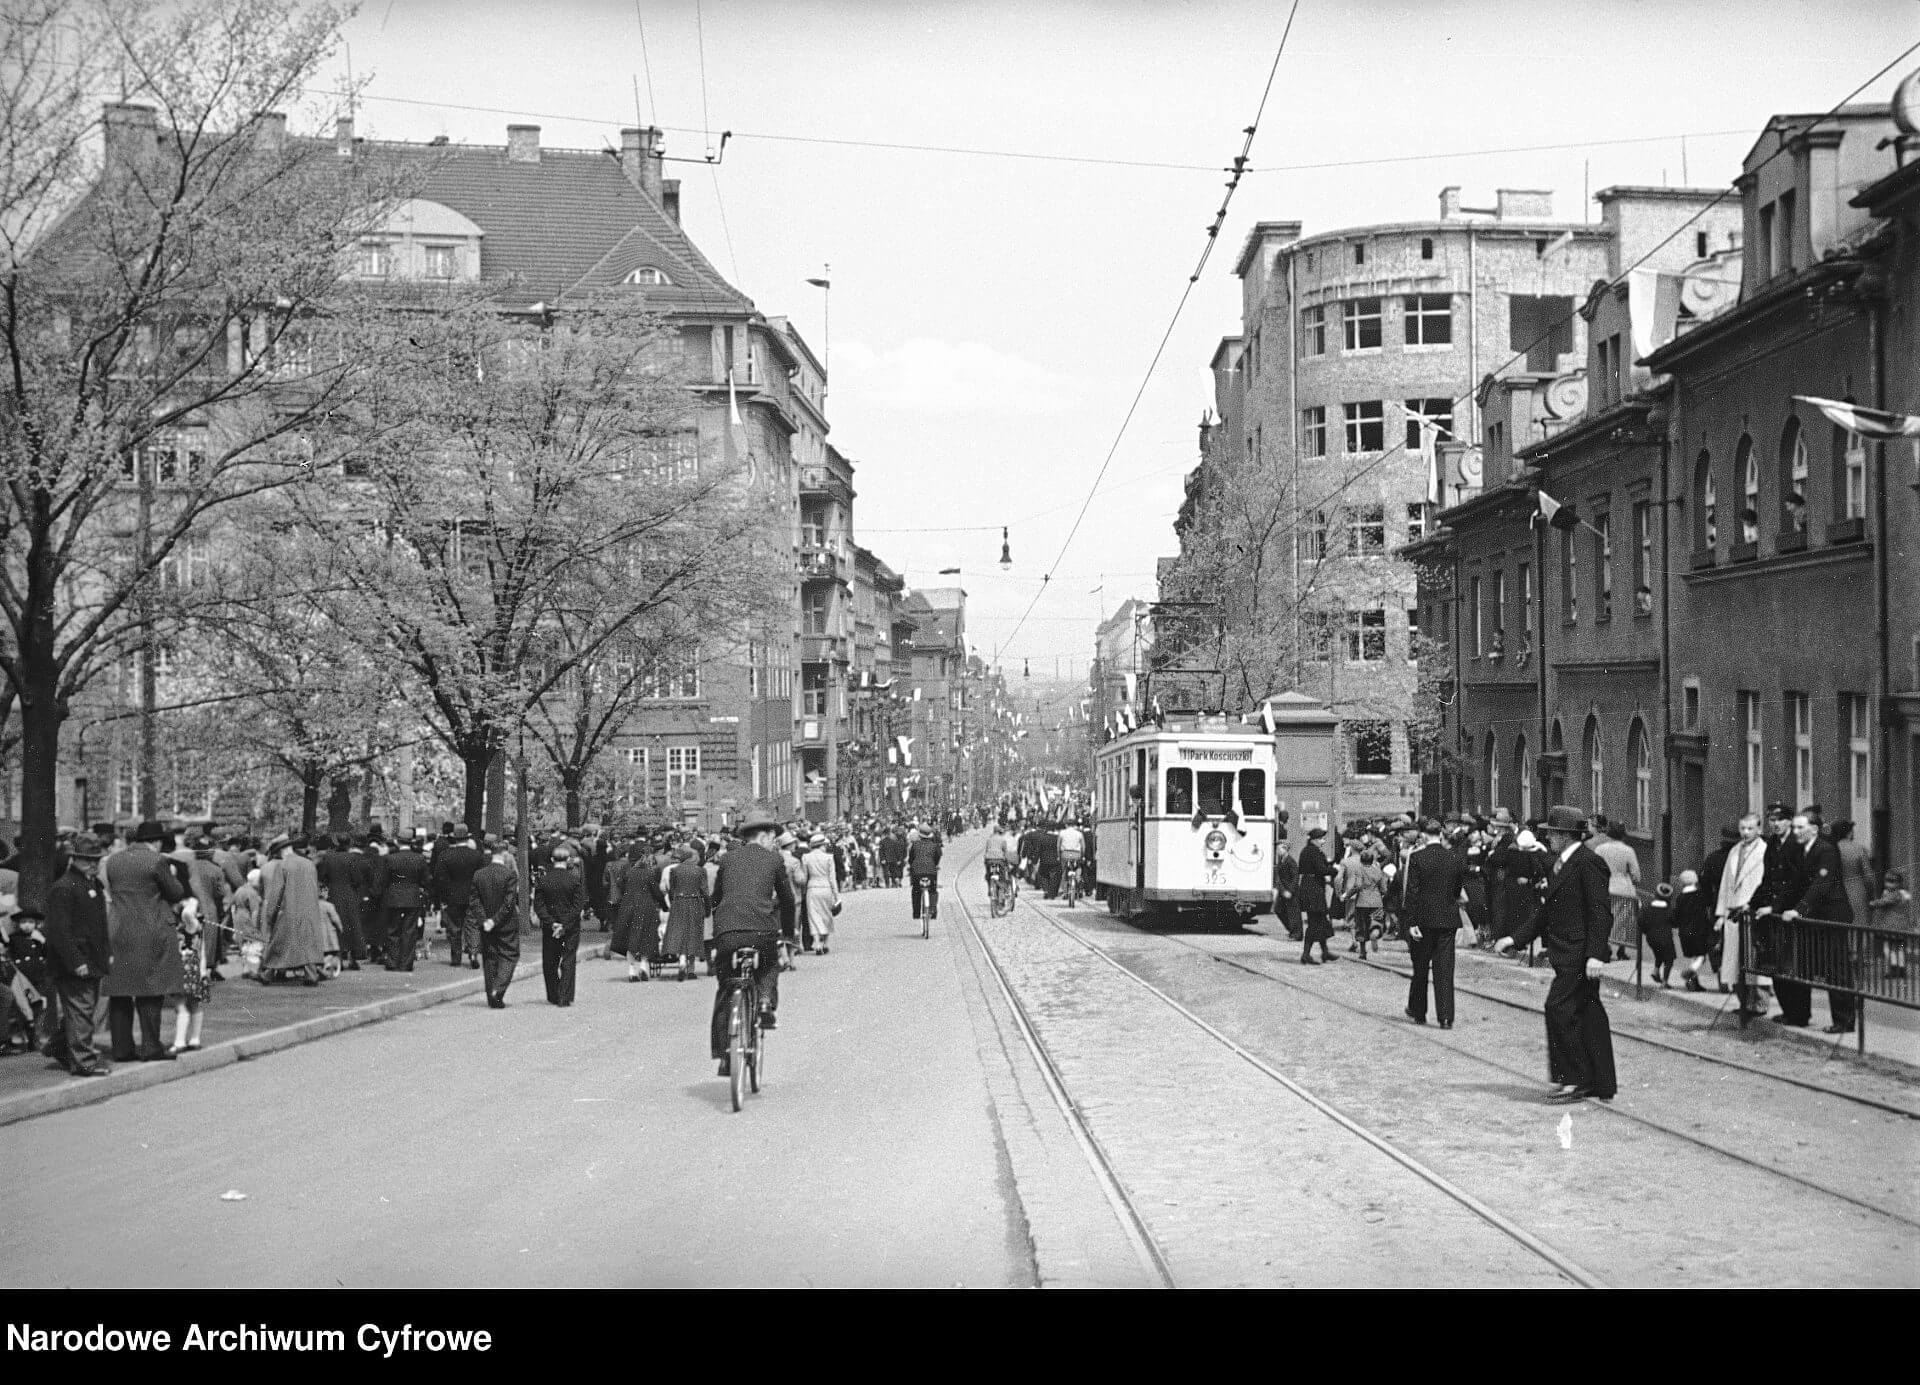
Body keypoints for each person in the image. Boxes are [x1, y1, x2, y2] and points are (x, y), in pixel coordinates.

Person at [1495, 805, 1617, 1103]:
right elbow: (1547, 912)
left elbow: (1600, 911)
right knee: (1586, 1012)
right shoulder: (1561, 863)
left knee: (1558, 1008)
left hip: (1580, 953)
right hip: (1567, 951)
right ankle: (1596, 1082)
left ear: (1565, 835)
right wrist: (1516, 938)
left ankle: (1576, 1080)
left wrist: (1596, 955)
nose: (1548, 838)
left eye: (1552, 834)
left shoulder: (1588, 862)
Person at [707, 812, 798, 1076]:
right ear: (765, 836)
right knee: (770, 965)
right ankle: (765, 1001)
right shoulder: (773, 859)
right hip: (762, 930)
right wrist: (788, 936)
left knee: (726, 985)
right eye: (773, 838)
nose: (775, 843)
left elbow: (717, 898)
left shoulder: (727, 859)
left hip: (728, 932)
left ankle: (725, 1055)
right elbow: (788, 901)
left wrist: (719, 928)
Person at [102, 821, 190, 1062]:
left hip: (119, 929)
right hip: (150, 930)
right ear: (157, 840)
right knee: (151, 990)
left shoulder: (113, 860)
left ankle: (121, 1049)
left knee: (120, 992)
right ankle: (151, 1047)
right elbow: (175, 893)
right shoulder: (157, 861)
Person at [1775, 808, 1856, 1034]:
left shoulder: (1826, 850)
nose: (1796, 831)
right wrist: (1773, 908)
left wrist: (1799, 910)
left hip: (1832, 915)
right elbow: (1794, 884)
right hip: (1815, 916)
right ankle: (1799, 1015)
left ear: (1814, 829)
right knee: (1805, 965)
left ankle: (1844, 1021)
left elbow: (1822, 884)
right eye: (1795, 827)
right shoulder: (1803, 851)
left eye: (1800, 827)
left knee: (1836, 967)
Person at [42, 833, 112, 1076]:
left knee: (82, 1008)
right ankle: (84, 1061)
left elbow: (98, 926)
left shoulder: (91, 884)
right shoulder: (64, 888)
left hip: (91, 957)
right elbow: (58, 931)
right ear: (74, 859)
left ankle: (59, 1046)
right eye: (86, 859)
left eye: (96, 859)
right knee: (81, 1008)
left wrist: (105, 954)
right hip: (76, 961)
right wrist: (76, 961)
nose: (93, 864)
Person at [1400, 819, 1465, 1023]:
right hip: (1447, 920)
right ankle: (1446, 1017)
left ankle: (1419, 1012)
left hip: (1423, 921)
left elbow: (1412, 893)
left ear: (1424, 835)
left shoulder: (1417, 858)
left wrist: (1411, 922)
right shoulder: (1454, 858)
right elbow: (1457, 890)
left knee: (1420, 967)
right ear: (1441, 835)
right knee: (1445, 969)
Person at [1713, 813, 1770, 1013]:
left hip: (1751, 911)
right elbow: (1725, 885)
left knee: (1755, 961)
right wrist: (1720, 915)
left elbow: (1766, 883)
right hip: (1733, 913)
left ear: (1759, 830)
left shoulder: (1765, 851)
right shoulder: (1735, 851)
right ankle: (1744, 1002)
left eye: (1750, 829)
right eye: (1742, 829)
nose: (1745, 833)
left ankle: (1760, 1003)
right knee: (1735, 962)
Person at [259, 836, 328, 987]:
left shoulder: (282, 866)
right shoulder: (309, 864)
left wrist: (270, 916)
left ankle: (268, 974)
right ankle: (311, 974)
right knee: (307, 942)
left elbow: (276, 894)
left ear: (280, 851)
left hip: (289, 911)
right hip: (310, 911)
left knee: (281, 943)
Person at [467, 844, 524, 1008]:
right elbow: (509, 903)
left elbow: (474, 901)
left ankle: (491, 994)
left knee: (490, 958)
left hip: (486, 924)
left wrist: (484, 920)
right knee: (509, 956)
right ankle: (498, 989)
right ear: (504, 854)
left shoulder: (479, 875)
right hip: (506, 925)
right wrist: (495, 920)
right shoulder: (510, 875)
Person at [534, 842, 586, 1007]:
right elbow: (578, 906)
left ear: (551, 859)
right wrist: (564, 924)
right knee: (568, 960)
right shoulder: (574, 880)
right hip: (570, 926)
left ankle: (553, 993)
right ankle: (565, 995)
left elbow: (539, 905)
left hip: (550, 926)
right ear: (568, 859)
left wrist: (551, 923)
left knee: (549, 961)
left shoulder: (543, 881)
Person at [609, 842, 665, 982]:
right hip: (646, 907)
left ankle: (632, 970)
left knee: (630, 938)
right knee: (646, 937)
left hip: (628, 906)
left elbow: (620, 887)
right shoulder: (649, 873)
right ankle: (644, 966)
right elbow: (656, 892)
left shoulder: (626, 872)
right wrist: (664, 905)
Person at [434, 825, 486, 969]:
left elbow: (440, 878)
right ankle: (473, 952)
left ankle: (456, 957)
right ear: (467, 837)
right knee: (473, 925)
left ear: (454, 838)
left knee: (454, 927)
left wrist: (443, 898)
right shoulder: (477, 855)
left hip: (453, 896)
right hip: (472, 895)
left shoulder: (445, 856)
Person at [377, 835, 431, 972]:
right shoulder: (419, 858)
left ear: (397, 842)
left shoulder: (389, 858)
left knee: (392, 929)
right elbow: (426, 879)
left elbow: (383, 880)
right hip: (412, 897)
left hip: (394, 896)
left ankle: (392, 961)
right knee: (410, 930)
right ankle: (406, 963)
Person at [1594, 820, 1642, 961]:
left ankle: (1606, 947)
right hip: (1622, 887)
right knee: (1625, 919)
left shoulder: (1600, 849)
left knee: (1604, 917)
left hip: (1605, 887)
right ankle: (1622, 949)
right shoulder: (1628, 851)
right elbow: (1636, 874)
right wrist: (1632, 879)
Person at [662, 843, 709, 974]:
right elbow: (704, 891)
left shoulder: (675, 870)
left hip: (679, 902)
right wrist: (707, 907)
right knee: (693, 933)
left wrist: (673, 902)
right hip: (694, 902)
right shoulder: (700, 870)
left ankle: (682, 960)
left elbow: (671, 890)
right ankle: (691, 968)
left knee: (680, 931)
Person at [1297, 827, 1336, 957]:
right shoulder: (1314, 852)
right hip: (1313, 890)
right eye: (1321, 838)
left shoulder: (1306, 851)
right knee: (1315, 922)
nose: (1323, 841)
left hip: (1309, 888)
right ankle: (1306, 954)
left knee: (1320, 921)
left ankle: (1324, 952)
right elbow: (1321, 870)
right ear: (1314, 840)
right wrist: (1335, 869)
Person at [801, 835, 839, 954]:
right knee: (826, 915)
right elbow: (832, 878)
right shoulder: (828, 857)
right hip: (826, 887)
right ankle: (825, 943)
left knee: (813, 915)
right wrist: (837, 896)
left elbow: (804, 877)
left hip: (812, 887)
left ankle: (817, 942)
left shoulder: (806, 857)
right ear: (822, 845)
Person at [907, 823, 944, 923]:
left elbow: (910, 859)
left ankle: (916, 913)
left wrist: (911, 866)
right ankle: (932, 910)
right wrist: (935, 864)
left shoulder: (915, 845)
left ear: (920, 835)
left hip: (917, 872)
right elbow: (938, 856)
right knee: (932, 890)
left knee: (916, 891)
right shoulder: (934, 845)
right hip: (931, 872)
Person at [1056, 820, 1087, 904]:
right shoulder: (1079, 834)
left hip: (1065, 854)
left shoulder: (1062, 833)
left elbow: (1058, 846)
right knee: (1078, 869)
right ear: (1074, 825)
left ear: (1066, 825)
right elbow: (1083, 847)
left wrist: (1059, 856)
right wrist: (1082, 856)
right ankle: (1079, 883)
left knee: (1064, 872)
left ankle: (1064, 891)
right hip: (1076, 854)